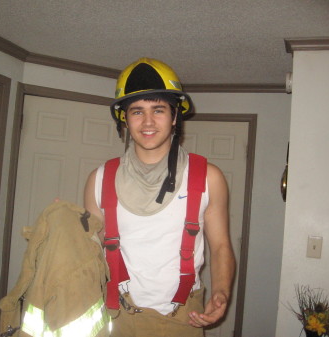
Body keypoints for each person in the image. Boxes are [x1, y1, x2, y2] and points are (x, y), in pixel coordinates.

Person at [84, 57, 235, 337]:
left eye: (159, 110)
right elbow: (90, 253)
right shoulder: (100, 179)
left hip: (184, 318)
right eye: (137, 111)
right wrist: (64, 229)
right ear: (124, 119)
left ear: (175, 116)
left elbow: (221, 246)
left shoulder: (207, 177)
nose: (148, 121)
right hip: (116, 316)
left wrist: (222, 292)